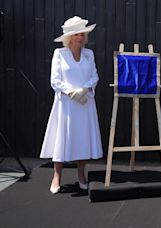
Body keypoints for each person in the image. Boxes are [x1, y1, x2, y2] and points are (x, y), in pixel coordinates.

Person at [40, 16, 103, 194]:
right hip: (66, 104)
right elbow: (55, 80)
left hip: (84, 103)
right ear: (69, 37)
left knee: (82, 139)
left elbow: (94, 76)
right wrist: (71, 92)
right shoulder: (59, 54)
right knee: (62, 139)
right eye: (77, 34)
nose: (81, 38)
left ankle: (81, 176)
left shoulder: (89, 54)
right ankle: (56, 177)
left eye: (83, 34)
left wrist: (83, 90)